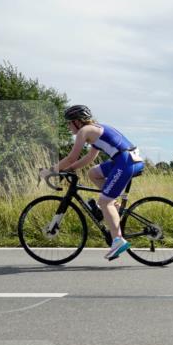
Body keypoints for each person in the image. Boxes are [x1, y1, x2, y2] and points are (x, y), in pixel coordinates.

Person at [41, 105, 144, 261]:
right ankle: (112, 203)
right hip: (125, 160)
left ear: (77, 122)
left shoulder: (85, 131)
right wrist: (69, 169)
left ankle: (118, 240)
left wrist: (50, 170)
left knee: (104, 201)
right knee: (93, 173)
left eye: (69, 123)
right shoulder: (94, 130)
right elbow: (90, 158)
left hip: (125, 162)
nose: (68, 127)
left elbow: (71, 157)